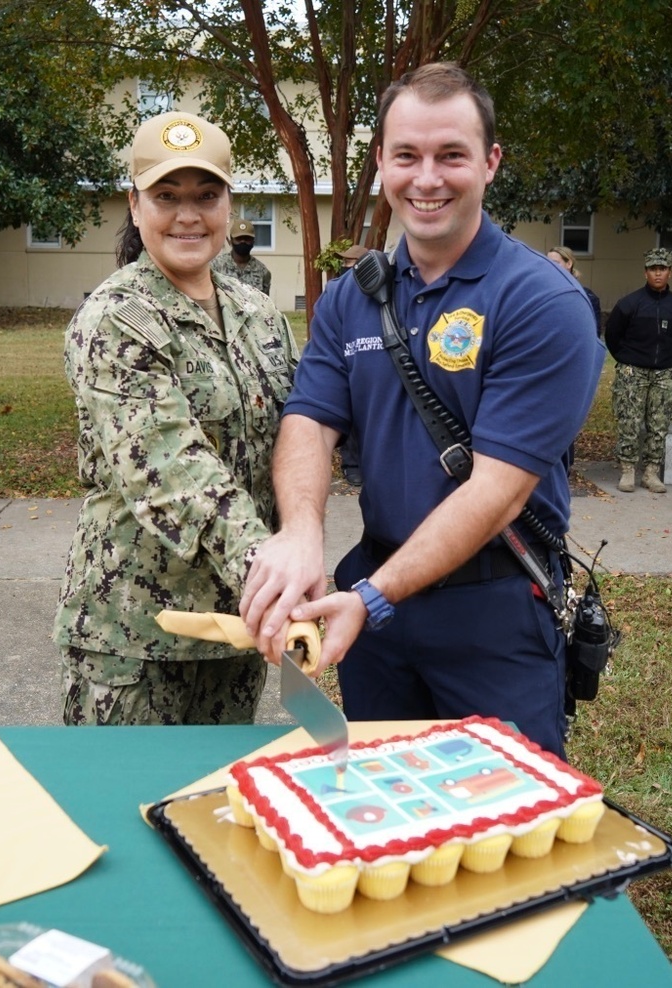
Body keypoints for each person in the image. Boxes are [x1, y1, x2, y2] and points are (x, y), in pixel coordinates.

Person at [240, 63, 604, 760]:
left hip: (492, 615)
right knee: (384, 808)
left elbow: (496, 490)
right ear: (381, 161)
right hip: (374, 621)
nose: (426, 179)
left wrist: (373, 598)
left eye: (451, 156)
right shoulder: (352, 296)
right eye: (406, 155)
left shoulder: (542, 303)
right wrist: (300, 534)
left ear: (491, 163)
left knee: (503, 824)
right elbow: (310, 419)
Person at [53, 111, 299, 727]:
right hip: (133, 636)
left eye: (205, 196)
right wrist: (273, 574)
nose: (188, 215)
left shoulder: (260, 313)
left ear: (228, 205)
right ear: (135, 206)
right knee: (117, 814)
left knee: (212, 809)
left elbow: (299, 437)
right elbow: (170, 470)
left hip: (234, 632)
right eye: (167, 196)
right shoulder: (115, 317)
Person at [605, 247, 672, 494]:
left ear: (670, 273)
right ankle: (628, 470)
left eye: (662, 269)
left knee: (659, 423)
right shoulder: (630, 304)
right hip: (633, 372)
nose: (658, 273)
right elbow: (612, 335)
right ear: (645, 272)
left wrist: (663, 359)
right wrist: (626, 359)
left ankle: (651, 472)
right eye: (653, 269)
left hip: (664, 373)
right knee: (629, 421)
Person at [333, 244, 368, 487]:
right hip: (342, 357)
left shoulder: (375, 292)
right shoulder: (336, 293)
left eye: (350, 264)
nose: (344, 268)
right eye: (343, 263)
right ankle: (351, 464)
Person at [546, 245, 602, 335]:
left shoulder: (586, 296)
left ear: (569, 264)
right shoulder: (542, 293)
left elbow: (594, 332)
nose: (551, 267)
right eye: (547, 263)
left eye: (555, 263)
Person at [210, 217, 272, 295]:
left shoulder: (263, 272)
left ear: (253, 241)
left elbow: (265, 304)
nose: (243, 241)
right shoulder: (215, 267)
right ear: (231, 240)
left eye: (247, 238)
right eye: (239, 238)